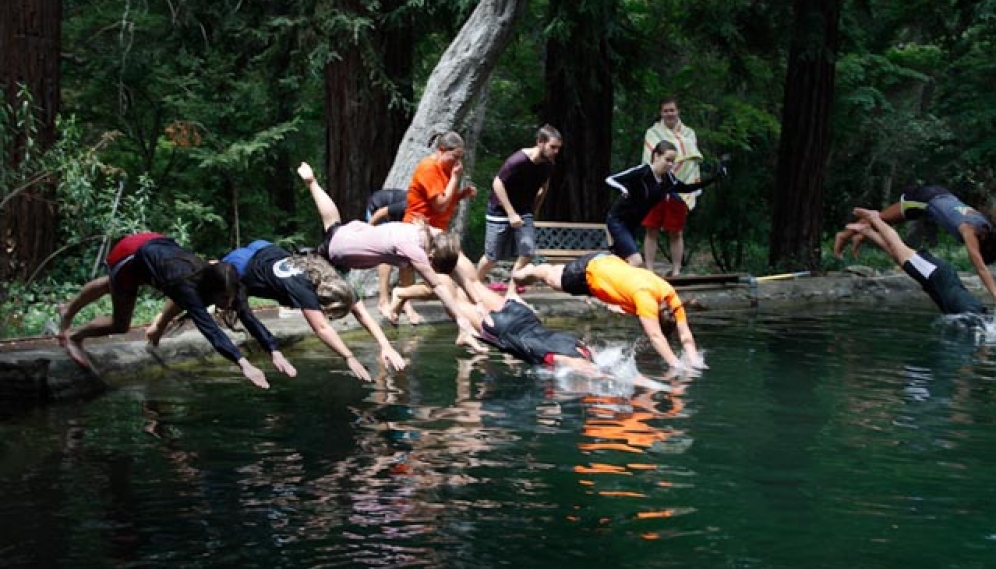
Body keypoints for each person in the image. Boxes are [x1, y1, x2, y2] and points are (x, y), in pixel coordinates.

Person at [56, 233, 296, 389]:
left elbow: (247, 315)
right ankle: (73, 336)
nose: (228, 303)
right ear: (211, 292)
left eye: (231, 298)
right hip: (131, 255)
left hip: (156, 244)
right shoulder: (187, 288)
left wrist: (274, 350)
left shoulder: (227, 280)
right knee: (121, 323)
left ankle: (67, 309)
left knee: (112, 284)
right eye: (223, 299)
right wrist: (243, 363)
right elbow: (210, 330)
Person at [147, 240, 407, 382]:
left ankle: (159, 323)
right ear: (322, 303)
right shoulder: (304, 290)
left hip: (264, 248)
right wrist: (349, 357)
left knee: (203, 281)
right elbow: (321, 328)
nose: (329, 317)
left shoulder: (328, 276)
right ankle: (159, 324)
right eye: (329, 312)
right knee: (202, 288)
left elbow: (359, 310)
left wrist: (385, 344)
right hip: (243, 265)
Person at [297, 161, 481, 341]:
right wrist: (461, 319)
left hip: (352, 231)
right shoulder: (412, 249)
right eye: (433, 266)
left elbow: (452, 262)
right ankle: (300, 262)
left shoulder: (426, 231)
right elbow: (438, 286)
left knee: (332, 223)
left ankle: (312, 182)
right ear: (431, 257)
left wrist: (478, 302)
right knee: (326, 284)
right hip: (338, 252)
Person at [510, 252, 704, 370]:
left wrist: (694, 362)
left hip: (607, 264)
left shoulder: (671, 298)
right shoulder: (646, 298)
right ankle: (531, 270)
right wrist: (675, 365)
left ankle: (532, 273)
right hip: (590, 271)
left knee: (558, 275)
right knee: (552, 279)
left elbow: (685, 334)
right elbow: (656, 337)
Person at [834, 185, 996, 304]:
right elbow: (980, 267)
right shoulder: (971, 231)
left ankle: (859, 236)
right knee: (881, 218)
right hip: (924, 200)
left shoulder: (986, 225)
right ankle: (844, 235)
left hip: (940, 196)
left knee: (883, 221)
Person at [381, 131, 478, 324]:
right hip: (418, 228)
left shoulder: (447, 168)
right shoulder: (429, 168)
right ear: (442, 150)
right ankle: (399, 301)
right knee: (434, 278)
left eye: (460, 158)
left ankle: (401, 298)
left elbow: (446, 200)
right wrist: (454, 179)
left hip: (436, 230)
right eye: (455, 157)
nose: (458, 162)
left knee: (443, 278)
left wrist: (461, 194)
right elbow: (440, 204)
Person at [837, 208, 987, 316]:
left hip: (937, 278)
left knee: (898, 255)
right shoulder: (973, 316)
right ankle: (874, 218)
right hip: (935, 273)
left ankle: (867, 231)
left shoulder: (976, 314)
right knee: (898, 246)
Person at [606, 140, 723, 268]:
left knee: (620, 261)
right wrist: (624, 189)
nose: (670, 164)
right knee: (636, 261)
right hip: (618, 221)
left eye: (672, 161)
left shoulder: (668, 179)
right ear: (656, 156)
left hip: (632, 225)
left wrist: (713, 178)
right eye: (667, 160)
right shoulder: (643, 171)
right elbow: (611, 179)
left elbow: (687, 188)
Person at [476, 124, 563, 289]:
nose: (556, 152)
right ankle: (474, 285)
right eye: (553, 147)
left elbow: (544, 186)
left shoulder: (548, 165)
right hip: (500, 210)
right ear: (540, 142)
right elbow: (497, 183)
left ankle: (512, 288)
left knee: (527, 251)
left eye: (558, 148)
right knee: (492, 257)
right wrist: (510, 213)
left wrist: (535, 208)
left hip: (524, 211)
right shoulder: (519, 160)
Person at [641, 98, 706, 276]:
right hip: (656, 187)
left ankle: (677, 270)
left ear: (678, 111)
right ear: (661, 113)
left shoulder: (689, 133)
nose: (669, 114)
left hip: (678, 188)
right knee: (651, 228)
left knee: (676, 231)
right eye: (665, 111)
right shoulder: (652, 133)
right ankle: (649, 269)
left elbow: (691, 159)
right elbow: (650, 159)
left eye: (672, 110)